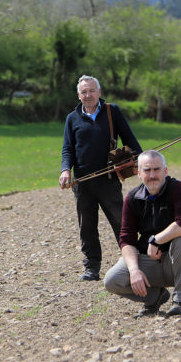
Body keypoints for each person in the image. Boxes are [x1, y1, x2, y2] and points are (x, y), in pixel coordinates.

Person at [59, 75, 142, 281]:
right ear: (79, 95)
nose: (88, 95)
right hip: (82, 182)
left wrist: (142, 161)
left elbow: (131, 140)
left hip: (108, 179)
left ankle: (137, 262)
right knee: (86, 225)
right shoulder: (72, 118)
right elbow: (67, 149)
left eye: (91, 91)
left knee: (120, 222)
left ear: (99, 92)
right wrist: (65, 170)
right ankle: (91, 268)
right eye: (84, 92)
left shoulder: (112, 112)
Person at [104, 150, 181, 317]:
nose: (152, 175)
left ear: (165, 171)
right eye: (147, 170)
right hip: (151, 264)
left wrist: (156, 240)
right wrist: (134, 270)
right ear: (139, 173)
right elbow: (126, 240)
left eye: (157, 169)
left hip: (179, 263)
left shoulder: (177, 189)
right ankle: (155, 297)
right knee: (112, 280)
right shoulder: (133, 198)